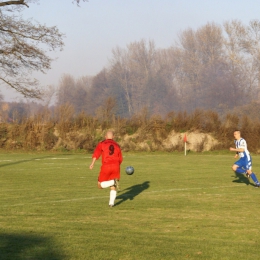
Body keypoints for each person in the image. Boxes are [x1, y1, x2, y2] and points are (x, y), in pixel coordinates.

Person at [89, 131, 123, 207]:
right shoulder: (117, 145)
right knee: (113, 186)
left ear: (105, 136)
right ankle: (111, 203)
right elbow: (120, 159)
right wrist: (116, 166)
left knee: (100, 185)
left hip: (106, 166)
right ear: (113, 137)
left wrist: (92, 163)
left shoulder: (102, 143)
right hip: (116, 166)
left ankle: (113, 182)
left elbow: (96, 153)